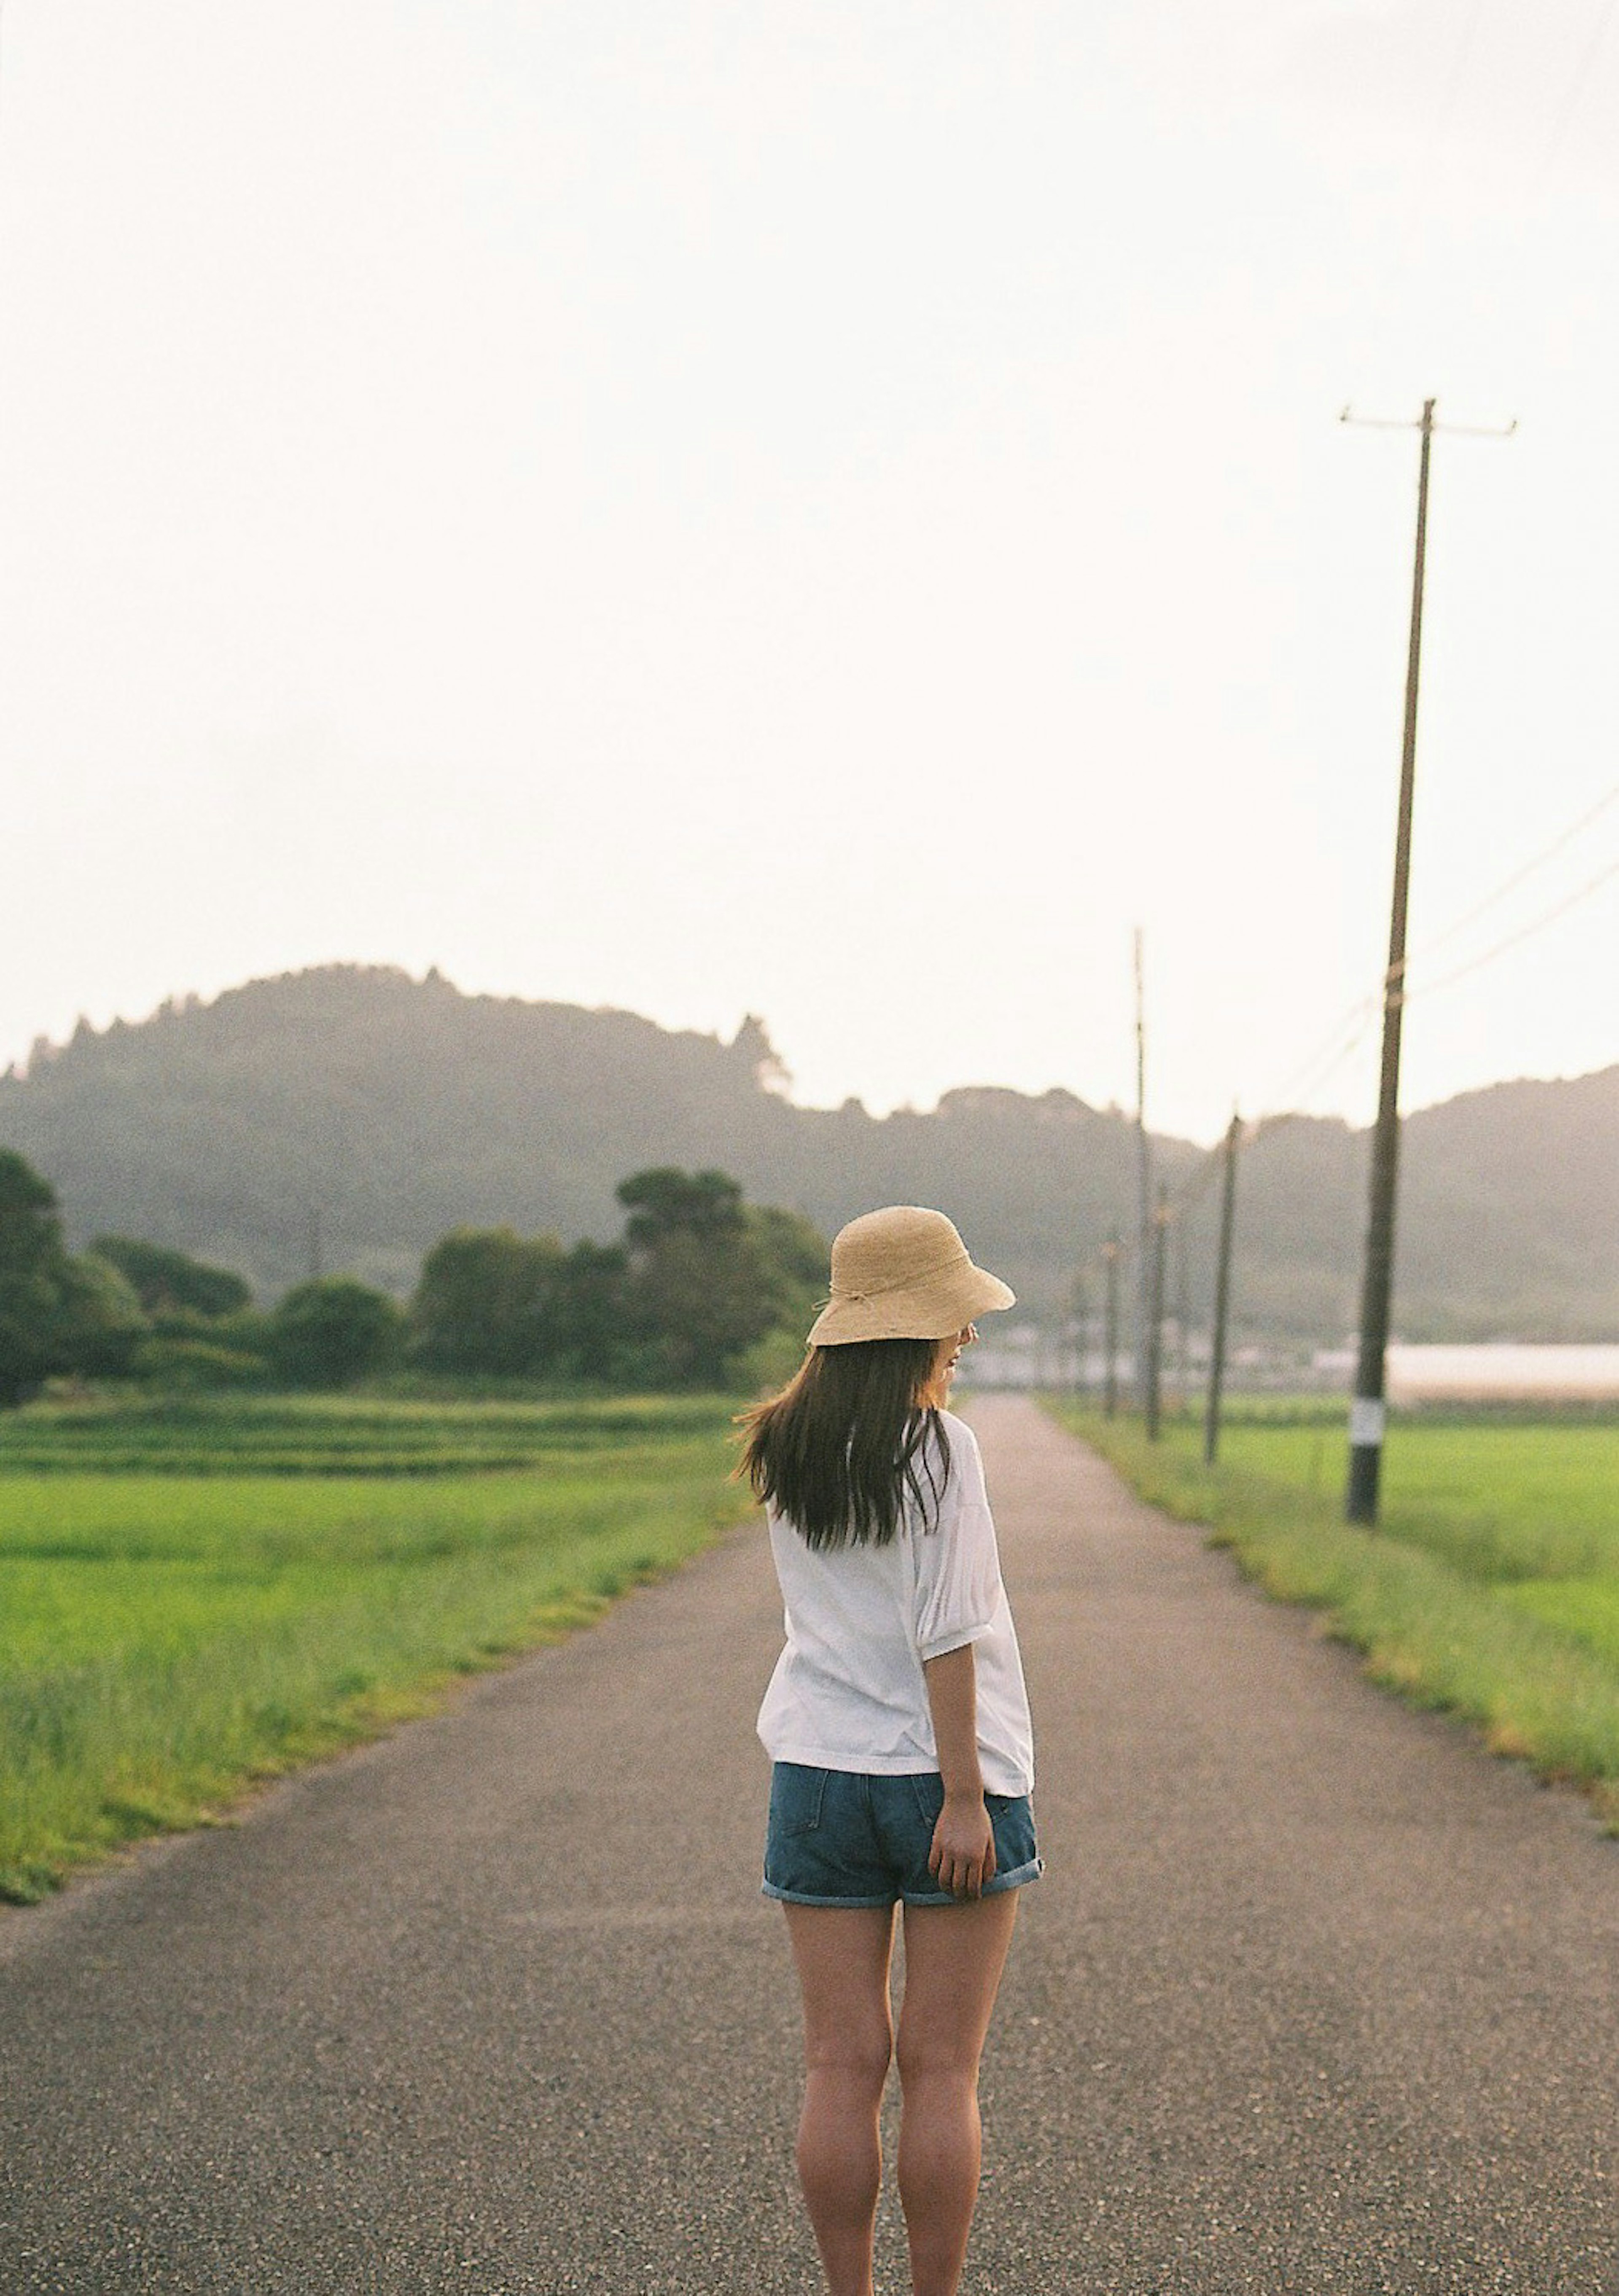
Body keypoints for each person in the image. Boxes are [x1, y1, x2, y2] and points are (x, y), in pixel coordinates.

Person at [739, 1204, 1039, 2296]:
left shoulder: (786, 1444)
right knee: (942, 2068)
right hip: (941, 1781)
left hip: (817, 1776)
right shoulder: (940, 1450)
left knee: (839, 2064)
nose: (966, 1338)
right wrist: (964, 1796)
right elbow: (948, 1632)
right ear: (916, 1329)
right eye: (955, 1319)